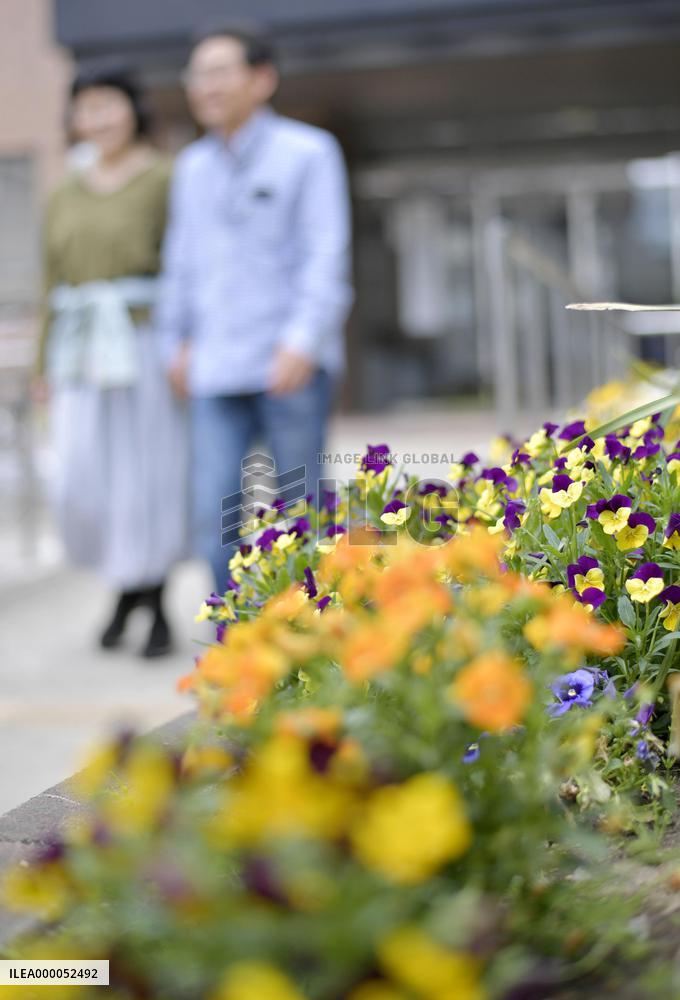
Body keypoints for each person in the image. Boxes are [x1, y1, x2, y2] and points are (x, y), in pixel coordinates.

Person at [156, 23, 353, 594]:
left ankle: (314, 641)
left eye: (220, 71)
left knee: (301, 509)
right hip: (213, 368)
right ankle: (233, 638)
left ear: (261, 79)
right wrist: (174, 343)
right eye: (197, 74)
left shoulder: (308, 152)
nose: (205, 86)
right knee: (213, 512)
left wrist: (303, 342)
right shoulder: (191, 167)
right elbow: (181, 263)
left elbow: (326, 255)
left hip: (288, 366)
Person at [37, 64, 188, 657]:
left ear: (134, 110)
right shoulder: (65, 191)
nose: (97, 118)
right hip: (79, 354)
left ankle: (150, 601)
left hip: (142, 345)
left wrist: (182, 345)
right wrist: (43, 365)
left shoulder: (164, 177)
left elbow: (184, 267)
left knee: (144, 478)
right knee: (82, 478)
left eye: (108, 105)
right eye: (86, 107)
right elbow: (51, 276)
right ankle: (127, 588)